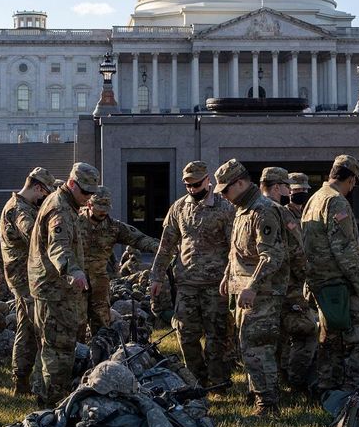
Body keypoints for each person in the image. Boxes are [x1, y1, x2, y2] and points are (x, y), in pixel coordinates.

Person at [149, 161, 235, 388]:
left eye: (196, 184)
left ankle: (218, 382)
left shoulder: (225, 208)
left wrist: (231, 277)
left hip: (217, 285)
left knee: (218, 336)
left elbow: (235, 248)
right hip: (187, 283)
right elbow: (166, 246)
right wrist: (156, 277)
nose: (192, 189)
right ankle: (196, 380)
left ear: (208, 180)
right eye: (188, 185)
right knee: (186, 334)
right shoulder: (178, 208)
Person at [301, 154, 359, 393]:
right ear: (352, 179)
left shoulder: (314, 199)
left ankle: (326, 386)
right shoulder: (336, 202)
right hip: (338, 284)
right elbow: (344, 250)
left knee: (331, 340)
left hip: (320, 282)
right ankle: (352, 387)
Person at [28, 162, 99, 406]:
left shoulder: (66, 204)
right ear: (71, 184)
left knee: (47, 346)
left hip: (50, 288)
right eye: (85, 192)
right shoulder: (60, 209)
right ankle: (54, 403)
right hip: (55, 290)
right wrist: (73, 271)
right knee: (60, 349)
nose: (88, 198)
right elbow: (58, 247)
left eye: (92, 193)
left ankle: (40, 393)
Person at [220, 162, 288, 415]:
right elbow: (236, 251)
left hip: (262, 293)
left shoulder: (264, 211)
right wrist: (228, 277)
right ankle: (256, 394)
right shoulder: (242, 210)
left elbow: (271, 256)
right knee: (246, 345)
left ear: (240, 183)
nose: (223, 196)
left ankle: (268, 404)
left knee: (258, 347)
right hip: (244, 291)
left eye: (225, 190)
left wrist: (252, 286)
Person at [0, 166, 56, 395]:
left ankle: (21, 382)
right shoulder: (20, 211)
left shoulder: (17, 206)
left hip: (22, 276)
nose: (44, 198)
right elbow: (34, 235)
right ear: (37, 187)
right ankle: (35, 383)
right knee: (39, 328)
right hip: (25, 277)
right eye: (45, 193)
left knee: (26, 327)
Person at [80, 186, 159, 336]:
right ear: (89, 205)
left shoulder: (114, 227)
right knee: (77, 325)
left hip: (100, 284)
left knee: (102, 325)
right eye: (99, 207)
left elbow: (139, 239)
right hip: (77, 282)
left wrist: (160, 247)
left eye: (106, 207)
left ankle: (101, 357)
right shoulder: (74, 222)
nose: (103, 211)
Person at [279, 171, 318, 392]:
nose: (301, 195)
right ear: (288, 192)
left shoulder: (308, 216)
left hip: (306, 285)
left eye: (304, 191)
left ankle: (292, 376)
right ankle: (294, 379)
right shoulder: (282, 216)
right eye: (297, 191)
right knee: (302, 330)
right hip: (289, 286)